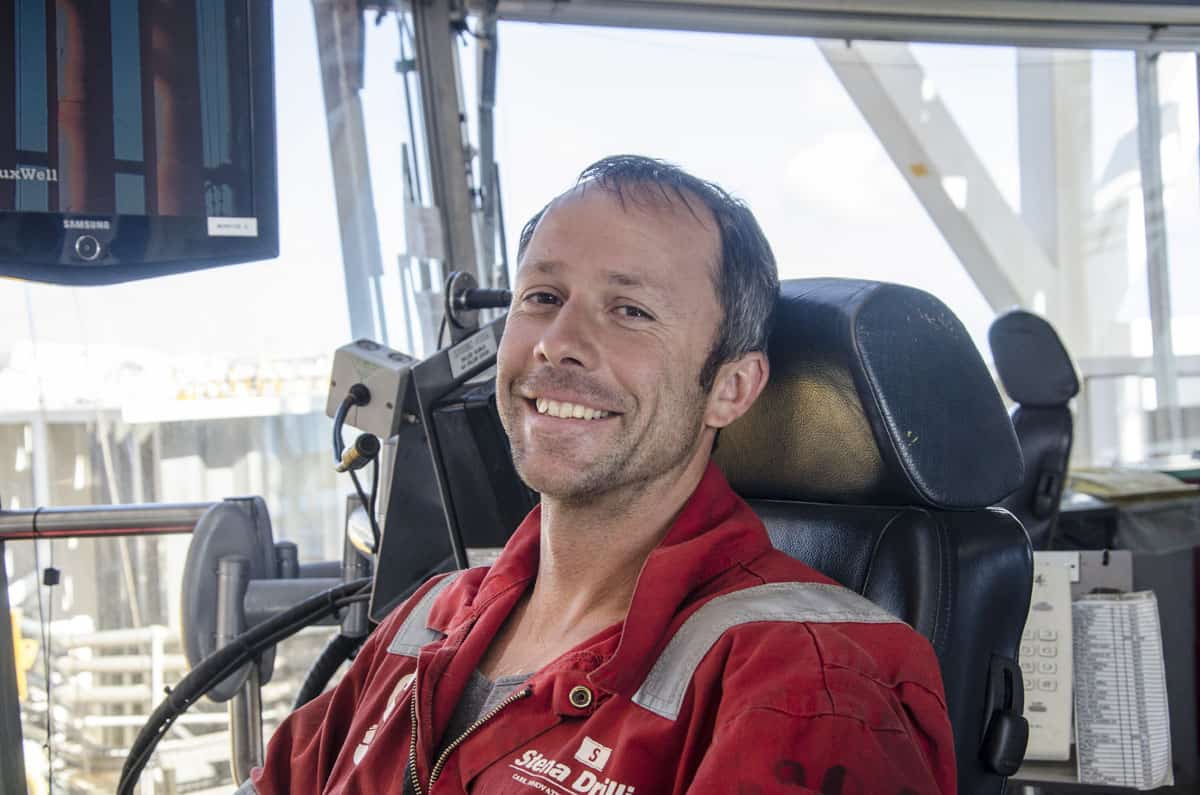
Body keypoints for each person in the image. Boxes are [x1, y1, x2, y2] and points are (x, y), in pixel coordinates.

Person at [246, 155, 956, 794]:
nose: (559, 344)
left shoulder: (809, 686)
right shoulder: (425, 618)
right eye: (542, 297)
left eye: (630, 310)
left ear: (732, 389)